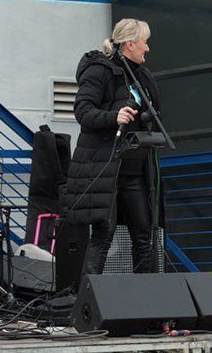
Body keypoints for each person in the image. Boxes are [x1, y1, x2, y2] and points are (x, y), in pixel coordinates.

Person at [63, 18, 162, 278]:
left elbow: (154, 111)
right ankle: (88, 302)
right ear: (130, 43)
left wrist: (145, 119)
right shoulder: (100, 70)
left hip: (135, 167)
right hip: (105, 166)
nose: (147, 48)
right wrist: (113, 116)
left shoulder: (142, 75)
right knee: (103, 234)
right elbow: (83, 112)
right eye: (145, 42)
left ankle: (146, 300)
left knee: (144, 232)